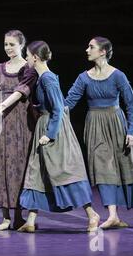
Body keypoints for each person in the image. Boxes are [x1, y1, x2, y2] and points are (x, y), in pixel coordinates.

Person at [65, 36, 133, 229]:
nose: (87, 50)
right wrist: (49, 111)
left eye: (91, 47)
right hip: (95, 125)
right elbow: (68, 103)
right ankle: (112, 215)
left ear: (103, 51)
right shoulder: (83, 78)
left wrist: (131, 131)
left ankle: (114, 216)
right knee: (102, 167)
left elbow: (131, 105)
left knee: (119, 167)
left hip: (116, 124)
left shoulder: (118, 76)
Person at [17, 41, 100, 233]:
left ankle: (91, 214)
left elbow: (58, 109)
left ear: (36, 57)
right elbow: (50, 105)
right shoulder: (42, 78)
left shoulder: (47, 79)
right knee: (37, 171)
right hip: (44, 125)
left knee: (64, 172)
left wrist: (50, 135)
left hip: (53, 129)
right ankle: (30, 220)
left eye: (28, 55)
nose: (27, 59)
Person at [0, 30, 38, 230]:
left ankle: (19, 216)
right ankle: (5, 217)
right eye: (6, 44)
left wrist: (0, 106)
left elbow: (20, 92)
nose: (8, 48)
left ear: (21, 45)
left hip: (21, 124)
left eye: (12, 44)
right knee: (2, 166)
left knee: (19, 167)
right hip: (2, 124)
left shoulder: (28, 69)